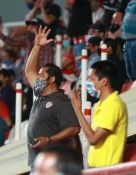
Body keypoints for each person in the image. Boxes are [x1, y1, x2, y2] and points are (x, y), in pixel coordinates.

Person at [25, 26, 80, 173]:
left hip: (53, 165)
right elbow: (29, 70)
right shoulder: (39, 94)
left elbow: (74, 128)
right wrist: (37, 46)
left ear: (52, 79)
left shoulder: (61, 101)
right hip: (37, 163)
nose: (37, 77)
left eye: (41, 75)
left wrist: (50, 140)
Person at [70, 61, 128, 168]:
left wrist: (78, 110)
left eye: (92, 79)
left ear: (104, 81)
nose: (88, 82)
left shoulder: (113, 105)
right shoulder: (99, 104)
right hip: (97, 167)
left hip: (108, 169)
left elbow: (93, 139)